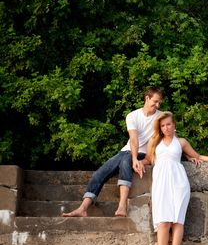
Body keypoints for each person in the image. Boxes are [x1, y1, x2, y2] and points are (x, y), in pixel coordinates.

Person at [62, 86, 164, 217]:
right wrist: (134, 159)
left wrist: (191, 155)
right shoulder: (133, 116)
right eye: (155, 101)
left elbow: (171, 137)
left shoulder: (161, 117)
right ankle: (83, 208)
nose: (157, 105)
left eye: (159, 102)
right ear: (147, 98)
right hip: (128, 151)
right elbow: (133, 139)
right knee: (101, 172)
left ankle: (122, 205)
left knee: (126, 160)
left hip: (144, 153)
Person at [143, 111, 208, 245]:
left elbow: (197, 156)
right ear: (160, 127)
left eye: (169, 124)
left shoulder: (181, 142)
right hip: (161, 185)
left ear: (174, 125)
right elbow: (149, 160)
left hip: (179, 184)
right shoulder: (154, 142)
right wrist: (134, 161)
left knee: (177, 221)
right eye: (163, 125)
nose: (166, 128)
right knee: (163, 223)